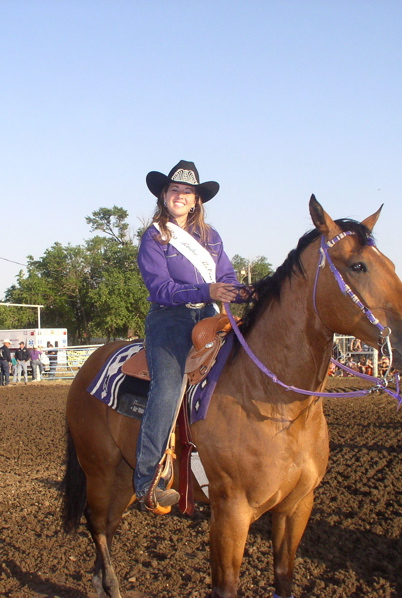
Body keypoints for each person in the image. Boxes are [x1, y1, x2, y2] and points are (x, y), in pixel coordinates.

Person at [135, 160, 241, 512]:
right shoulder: (154, 237)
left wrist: (244, 292)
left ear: (197, 200)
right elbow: (160, 287)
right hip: (170, 319)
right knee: (168, 387)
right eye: (174, 190)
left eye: (187, 192)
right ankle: (147, 480)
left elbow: (227, 278)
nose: (180, 196)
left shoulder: (211, 238)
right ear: (164, 196)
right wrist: (206, 289)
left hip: (210, 319)